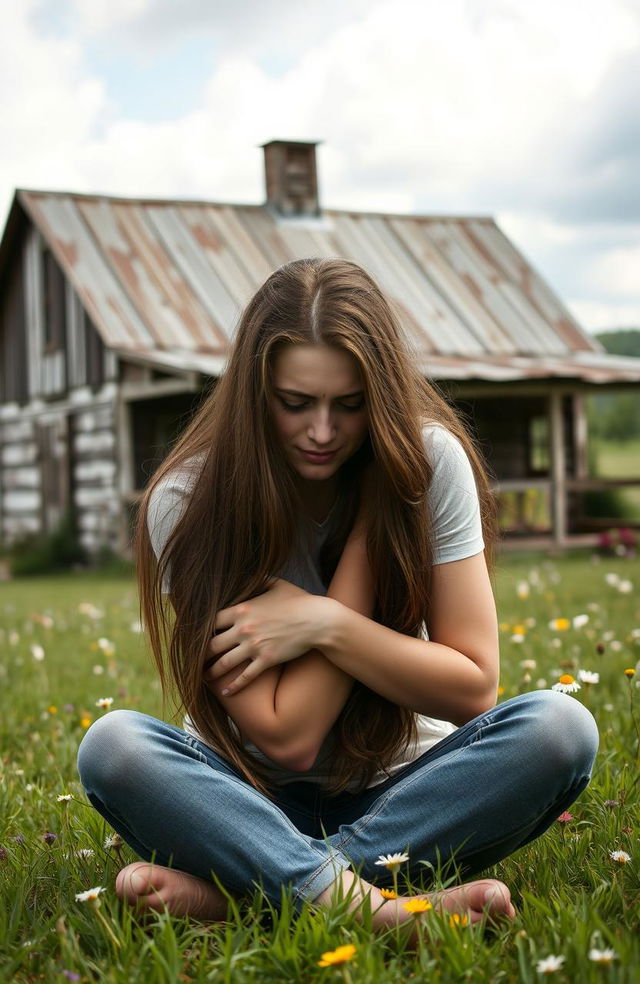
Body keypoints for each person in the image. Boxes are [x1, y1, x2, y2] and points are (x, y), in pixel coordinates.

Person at [77, 257, 598, 931]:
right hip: (241, 798)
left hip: (408, 792)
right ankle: (382, 912)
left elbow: (473, 688)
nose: (322, 432)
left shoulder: (427, 462)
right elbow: (287, 737)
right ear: (254, 391)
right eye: (296, 403)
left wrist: (324, 622)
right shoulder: (189, 499)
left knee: (561, 729)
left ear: (379, 393)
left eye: (350, 405)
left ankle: (254, 892)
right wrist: (358, 570)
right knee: (115, 748)